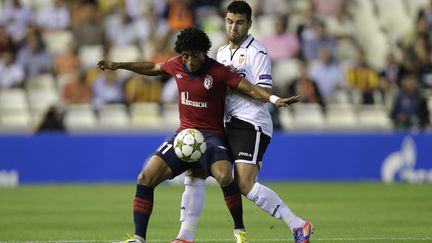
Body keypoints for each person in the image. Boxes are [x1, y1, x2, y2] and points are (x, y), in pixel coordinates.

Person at [97, 26, 299, 243]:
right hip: (183, 135)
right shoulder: (176, 64)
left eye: (194, 56)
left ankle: (239, 230)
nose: (190, 61)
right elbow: (152, 67)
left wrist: (273, 99)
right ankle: (139, 239)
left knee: (224, 176)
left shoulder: (219, 71)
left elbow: (249, 88)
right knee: (145, 177)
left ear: (204, 52)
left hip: (212, 137)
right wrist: (118, 65)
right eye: (185, 56)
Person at [173, 2, 314, 243]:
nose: (233, 27)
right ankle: (185, 236)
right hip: (226, 123)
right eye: (229, 21)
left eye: (239, 22)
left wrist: (231, 80)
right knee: (195, 171)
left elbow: (264, 89)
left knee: (244, 183)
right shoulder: (220, 52)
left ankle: (299, 224)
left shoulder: (257, 52)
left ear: (249, 24)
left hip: (251, 122)